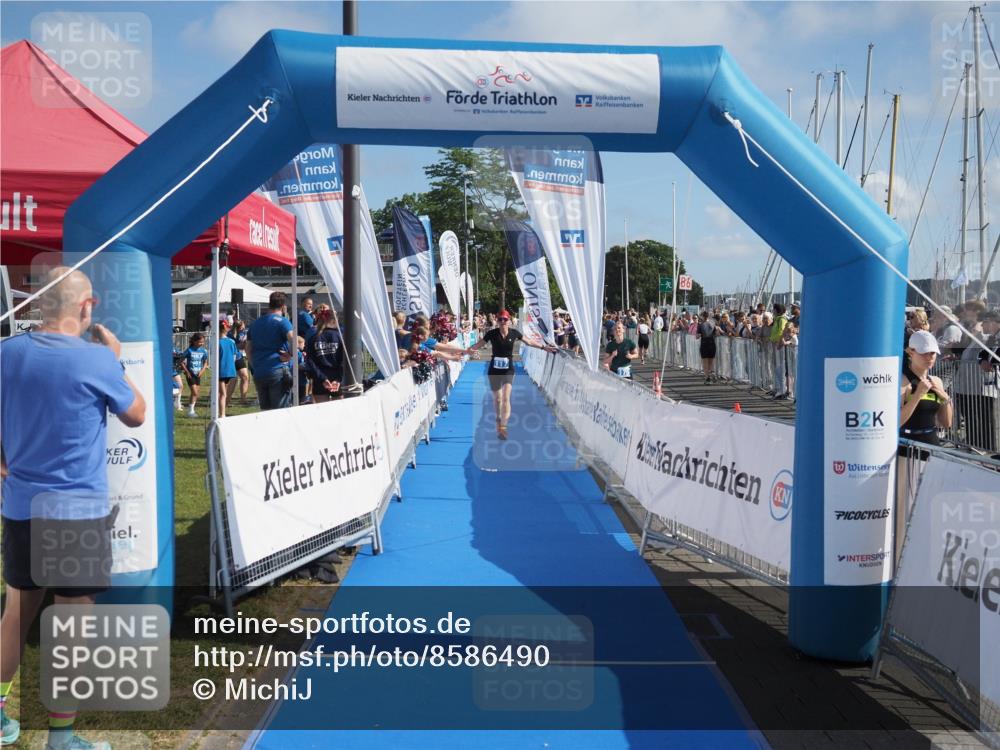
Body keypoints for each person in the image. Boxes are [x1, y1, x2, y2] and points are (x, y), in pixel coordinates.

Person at [1, 267, 146, 750]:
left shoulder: (7, 353)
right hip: (76, 513)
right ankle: (61, 738)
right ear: (87, 307)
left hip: (22, 506)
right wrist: (117, 361)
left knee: (16, 615)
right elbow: (138, 412)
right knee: (71, 626)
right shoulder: (97, 360)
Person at [464, 309, 553, 440]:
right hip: (494, 369)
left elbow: (528, 342)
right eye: (500, 320)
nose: (502, 322)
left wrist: (543, 347)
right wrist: (464, 351)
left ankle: (503, 427)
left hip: (508, 369)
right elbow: (478, 345)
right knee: (498, 399)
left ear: (509, 321)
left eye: (505, 320)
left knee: (506, 398)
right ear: (497, 321)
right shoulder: (491, 334)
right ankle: (498, 418)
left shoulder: (514, 333)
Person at [247, 292, 294, 410]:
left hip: (259, 371)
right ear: (283, 306)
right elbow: (293, 340)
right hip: (277, 369)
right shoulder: (283, 321)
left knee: (265, 411)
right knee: (280, 411)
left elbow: (248, 348)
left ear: (269, 304)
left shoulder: (255, 323)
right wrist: (290, 355)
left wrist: (254, 364)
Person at [306, 307, 345, 403]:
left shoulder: (313, 338)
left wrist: (322, 378)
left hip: (320, 379)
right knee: (339, 413)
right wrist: (338, 379)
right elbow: (345, 360)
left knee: (323, 414)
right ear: (334, 320)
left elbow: (310, 360)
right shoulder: (340, 336)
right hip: (337, 379)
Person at [181, 332, 209, 418]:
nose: (201, 343)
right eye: (200, 342)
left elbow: (205, 363)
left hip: (198, 374)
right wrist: (187, 371)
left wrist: (202, 371)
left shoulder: (204, 351)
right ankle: (191, 411)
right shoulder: (189, 350)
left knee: (195, 394)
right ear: (194, 341)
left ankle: (191, 410)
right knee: (194, 392)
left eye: (203, 342)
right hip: (190, 374)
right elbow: (181, 361)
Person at [217, 322, 238, 418]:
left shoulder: (217, 342)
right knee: (223, 393)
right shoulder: (232, 342)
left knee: (222, 394)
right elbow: (234, 357)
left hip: (221, 371)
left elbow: (213, 358)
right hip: (230, 370)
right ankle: (221, 412)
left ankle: (222, 414)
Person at [230, 320, 251, 406]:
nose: (244, 328)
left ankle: (243, 399)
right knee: (231, 380)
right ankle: (227, 398)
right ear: (239, 327)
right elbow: (235, 346)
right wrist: (243, 344)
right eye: (243, 326)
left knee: (245, 377)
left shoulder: (243, 333)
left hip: (239, 357)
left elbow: (241, 346)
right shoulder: (230, 335)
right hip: (230, 358)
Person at [697, 311, 718, 383]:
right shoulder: (713, 323)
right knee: (711, 361)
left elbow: (697, 336)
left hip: (704, 343)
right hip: (712, 343)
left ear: (703, 316)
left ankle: (707, 377)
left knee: (705, 361)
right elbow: (716, 333)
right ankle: (712, 373)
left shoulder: (700, 324)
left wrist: (698, 335)